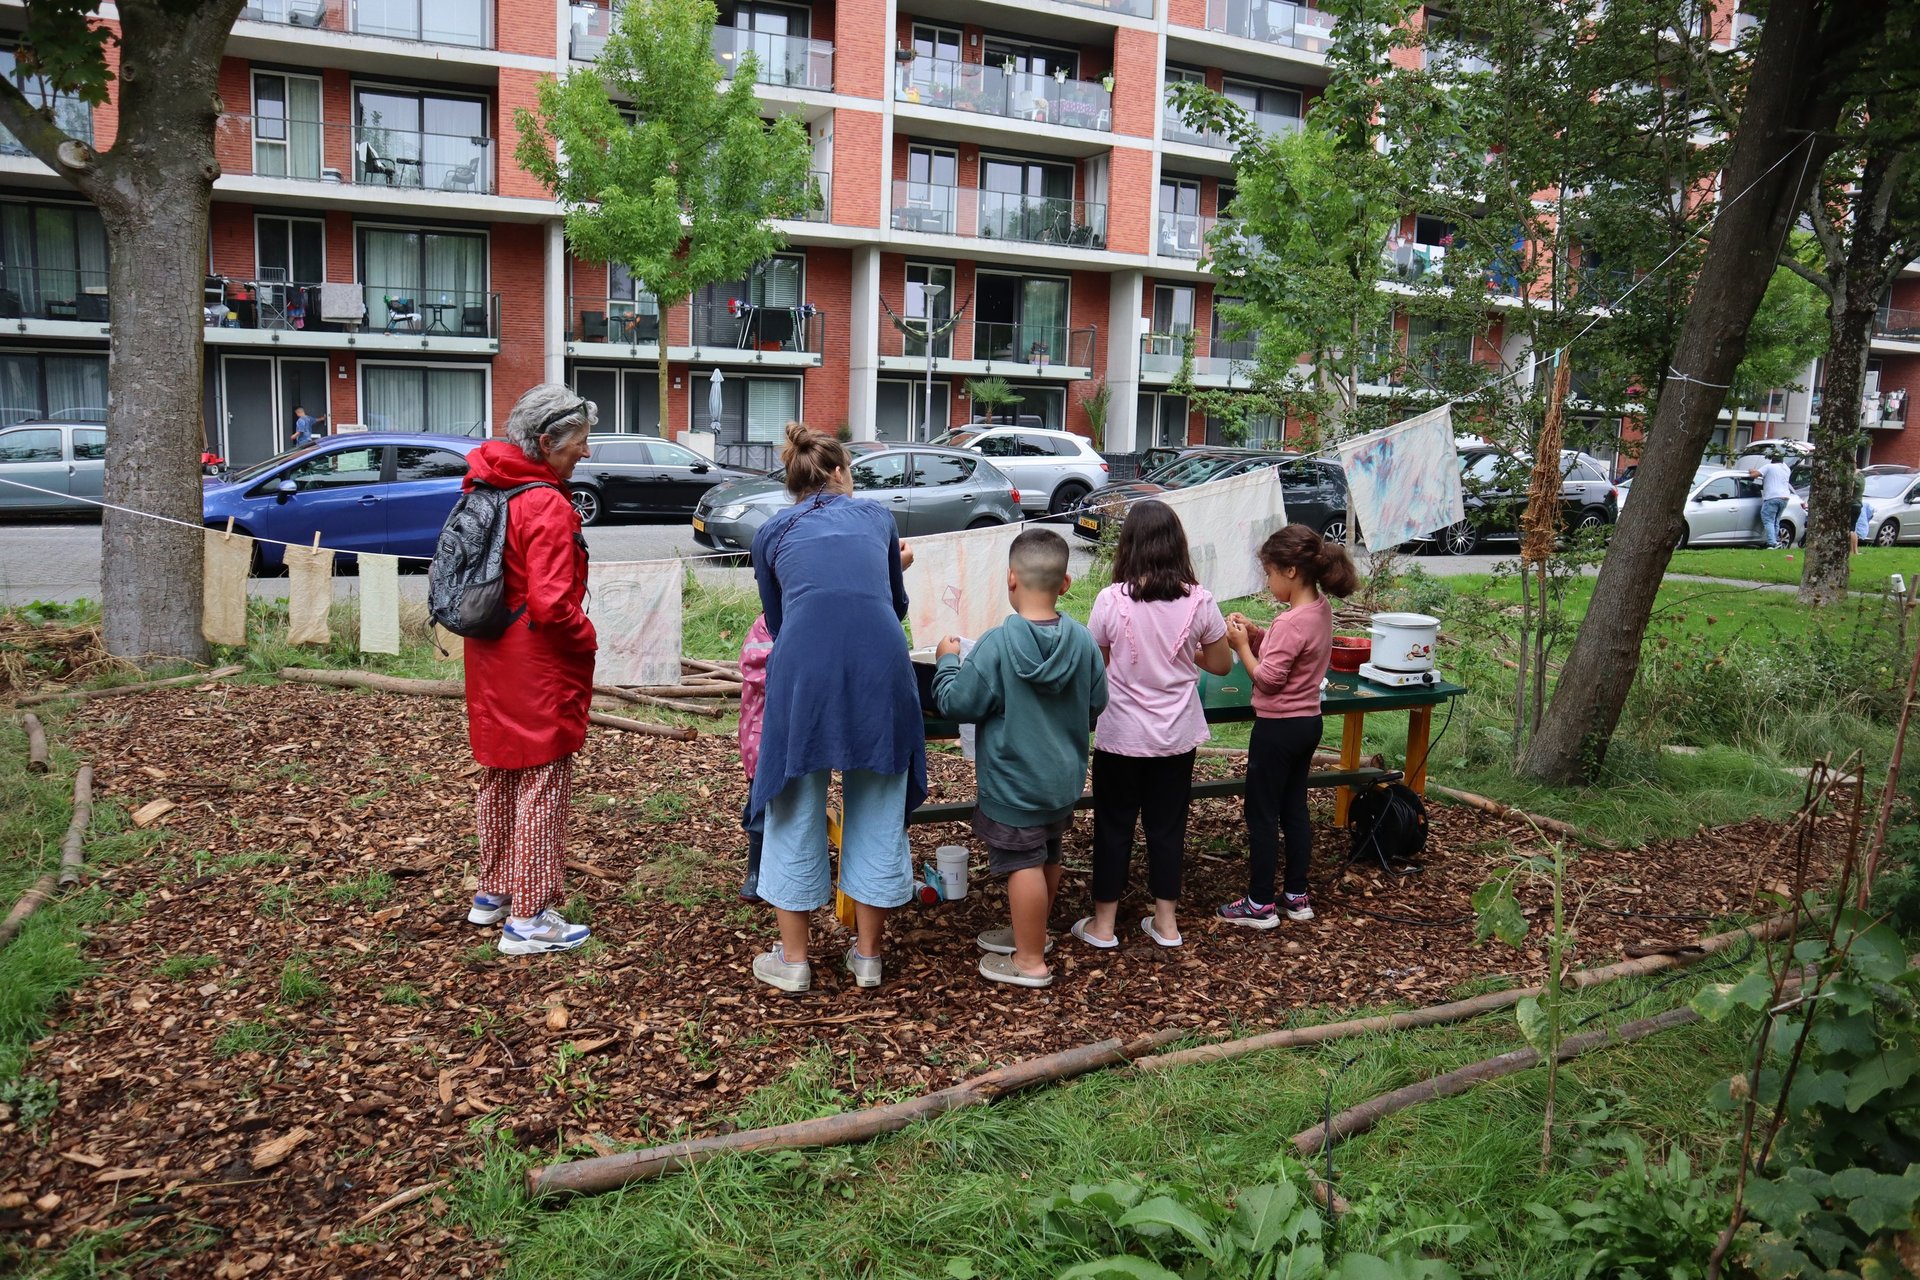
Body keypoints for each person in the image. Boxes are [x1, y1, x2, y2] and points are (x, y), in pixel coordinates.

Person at [748, 422, 925, 993]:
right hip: (881, 667)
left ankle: (794, 961)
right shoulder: (878, 519)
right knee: (877, 803)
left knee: (794, 804)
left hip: (804, 672)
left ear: (794, 481)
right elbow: (894, 605)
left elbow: (778, 621)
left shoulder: (771, 531)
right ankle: (868, 957)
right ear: (841, 472)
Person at [933, 529, 1108, 988]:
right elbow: (1096, 704)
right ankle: (1033, 934)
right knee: (1047, 852)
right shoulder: (1083, 642)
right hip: (1061, 779)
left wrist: (947, 661)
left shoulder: (995, 645)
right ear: (1065, 583)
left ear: (1011, 578)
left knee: (1022, 863)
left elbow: (957, 703)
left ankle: (1029, 961)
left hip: (1013, 783)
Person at [460, 384, 597, 955]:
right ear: (546, 443)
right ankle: (531, 918)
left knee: (500, 771)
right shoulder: (545, 503)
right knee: (543, 779)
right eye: (579, 442)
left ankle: (492, 892)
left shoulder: (490, 485)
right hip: (536, 660)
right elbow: (552, 604)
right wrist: (587, 637)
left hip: (489, 649)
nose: (585, 452)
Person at [1074, 501, 1233, 951]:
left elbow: (1097, 665)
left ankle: (1104, 925)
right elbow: (1221, 664)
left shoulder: (1110, 600)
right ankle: (1166, 923)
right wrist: (1186, 652)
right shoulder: (1200, 601)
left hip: (1121, 735)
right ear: (1177, 545)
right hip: (1176, 737)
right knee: (1168, 827)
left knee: (1113, 827)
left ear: (1129, 545)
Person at [1219, 524, 1360, 928]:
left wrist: (1240, 646)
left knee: (1262, 813)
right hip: (1307, 724)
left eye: (1269, 573)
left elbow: (1267, 679)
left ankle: (1259, 903)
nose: (1268, 582)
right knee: (1294, 808)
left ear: (1291, 571)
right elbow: (1288, 654)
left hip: (1277, 729)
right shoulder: (1319, 610)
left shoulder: (1290, 622)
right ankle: (1297, 896)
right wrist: (1256, 634)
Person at [736, 613, 773, 902]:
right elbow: (753, 663)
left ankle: (787, 866)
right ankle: (755, 870)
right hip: (763, 738)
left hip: (801, 738)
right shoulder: (766, 624)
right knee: (760, 806)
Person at [1750, 456, 1793, 548]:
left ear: (1772, 461)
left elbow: (1753, 475)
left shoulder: (1769, 467)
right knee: (1776, 521)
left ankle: (1772, 543)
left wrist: (1751, 470)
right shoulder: (1786, 469)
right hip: (1785, 498)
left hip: (1772, 497)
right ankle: (1776, 541)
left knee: (1768, 520)